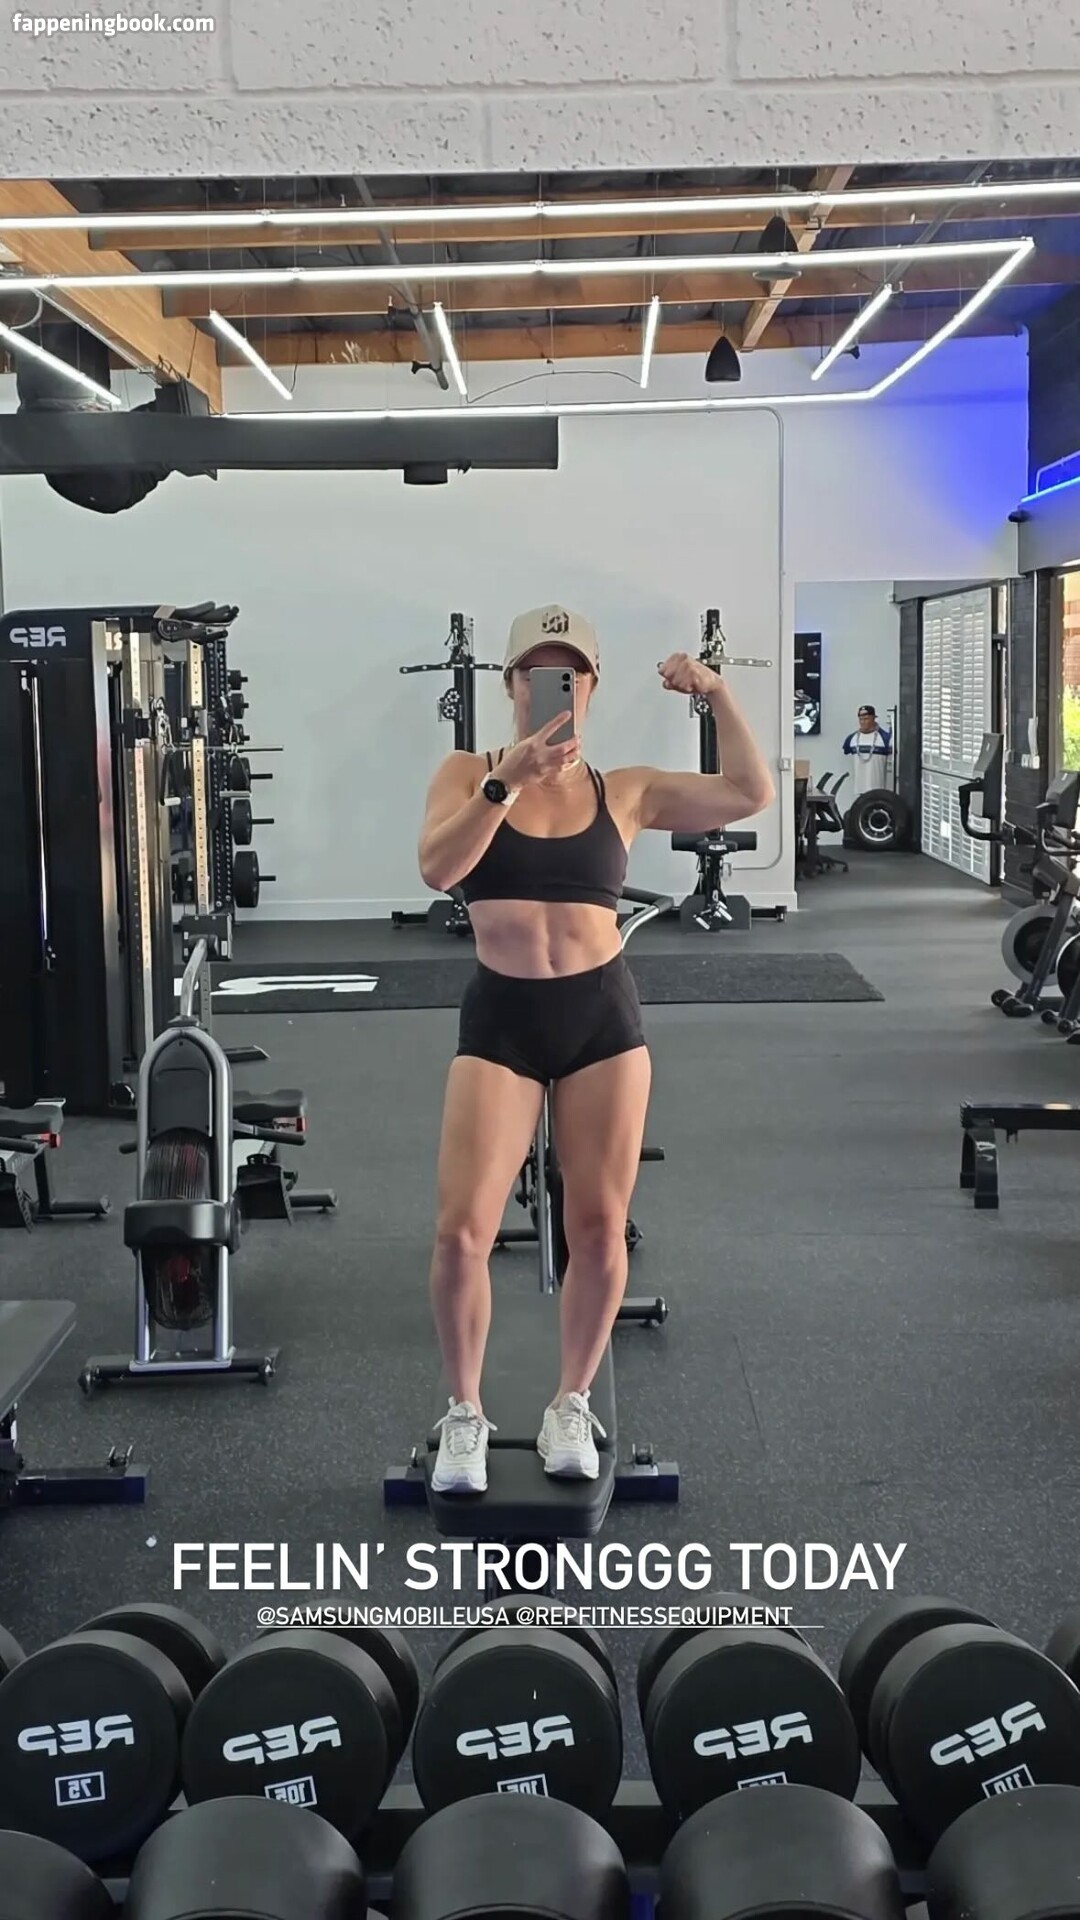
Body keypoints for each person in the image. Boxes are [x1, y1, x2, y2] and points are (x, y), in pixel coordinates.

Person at [418, 605, 775, 1493]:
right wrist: (504, 785)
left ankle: (571, 1402)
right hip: (502, 1020)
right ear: (511, 686)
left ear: (590, 688)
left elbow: (749, 793)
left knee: (599, 1227)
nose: (556, 689)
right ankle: (463, 1412)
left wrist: (716, 691)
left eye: (570, 676)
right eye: (538, 675)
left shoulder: (627, 790)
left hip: (600, 1021)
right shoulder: (466, 772)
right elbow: (437, 869)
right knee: (462, 1232)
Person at [842, 705, 892, 796]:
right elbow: (846, 750)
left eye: (866, 719)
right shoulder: (851, 739)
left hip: (878, 789)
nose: (863, 722)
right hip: (860, 790)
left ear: (873, 718)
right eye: (861, 719)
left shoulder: (885, 738)